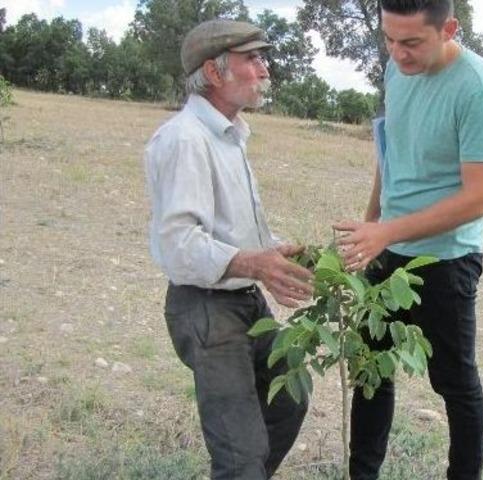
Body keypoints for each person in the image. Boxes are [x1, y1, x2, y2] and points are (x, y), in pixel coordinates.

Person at [332, 0, 483, 478]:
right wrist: (371, 227)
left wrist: (385, 230)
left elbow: (478, 198)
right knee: (372, 372)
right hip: (385, 249)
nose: (398, 54)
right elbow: (391, 151)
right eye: (389, 39)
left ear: (449, 28)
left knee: (455, 384)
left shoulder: (479, 88)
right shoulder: (396, 68)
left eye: (411, 42)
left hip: (446, 260)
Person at [143, 19, 314, 480]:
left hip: (243, 301)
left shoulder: (230, 134)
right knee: (239, 453)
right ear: (214, 73)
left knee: (290, 395)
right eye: (252, 59)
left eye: (263, 58)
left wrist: (275, 251)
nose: (265, 69)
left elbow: (225, 226)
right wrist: (250, 262)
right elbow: (178, 244)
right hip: (206, 309)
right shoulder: (185, 139)